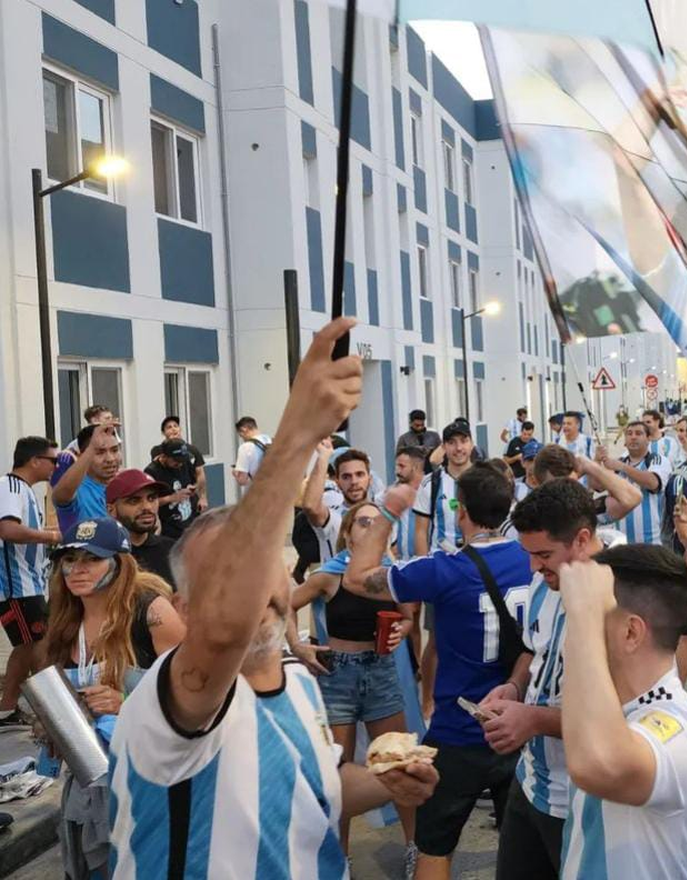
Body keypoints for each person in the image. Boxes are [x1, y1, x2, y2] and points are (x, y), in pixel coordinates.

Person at [108, 318, 438, 877]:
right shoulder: (174, 697)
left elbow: (322, 785)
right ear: (184, 610)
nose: (253, 588)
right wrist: (297, 436)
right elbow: (225, 630)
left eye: (262, 567)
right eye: (226, 579)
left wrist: (386, 782)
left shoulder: (301, 681)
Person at [346, 465, 532, 880]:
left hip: (458, 728)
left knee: (434, 847)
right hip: (520, 726)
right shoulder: (532, 559)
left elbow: (357, 579)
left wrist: (389, 513)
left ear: (461, 511)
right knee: (526, 853)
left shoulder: (444, 568)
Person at [557, 548, 687, 878]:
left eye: (592, 617)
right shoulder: (617, 711)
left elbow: (599, 763)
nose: (571, 631)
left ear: (631, 632)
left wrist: (583, 618)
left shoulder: (682, 728)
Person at [44, 516, 186, 878]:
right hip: (89, 773)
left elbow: (191, 696)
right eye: (69, 559)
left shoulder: (152, 611)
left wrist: (126, 703)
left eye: (92, 558)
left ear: (119, 563)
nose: (77, 569)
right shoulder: (65, 619)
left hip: (149, 772)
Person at [484, 479, 612, 880]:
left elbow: (620, 717)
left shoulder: (622, 597)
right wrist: (514, 687)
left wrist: (534, 720)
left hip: (585, 799)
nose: (533, 567)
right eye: (529, 554)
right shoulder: (544, 581)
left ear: (582, 539)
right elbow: (531, 649)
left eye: (543, 555)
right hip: (530, 782)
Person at [290, 499, 416, 864]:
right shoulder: (332, 572)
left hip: (380, 672)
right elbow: (284, 604)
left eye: (378, 524)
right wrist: (298, 646)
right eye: (363, 522)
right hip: (336, 676)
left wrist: (401, 632)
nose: (370, 529)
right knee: (336, 773)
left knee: (400, 761)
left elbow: (408, 617)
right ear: (346, 532)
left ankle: (413, 848)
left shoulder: (390, 573)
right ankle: (338, 858)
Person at [0, 437, 60, 726]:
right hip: (18, 587)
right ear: (35, 460)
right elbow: (8, 529)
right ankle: (52, 714)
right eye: (53, 460)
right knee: (40, 645)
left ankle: (7, 708)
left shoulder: (24, 491)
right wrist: (51, 536)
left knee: (25, 647)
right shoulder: (10, 486)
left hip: (30, 584)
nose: (56, 467)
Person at [600, 421, 672, 545]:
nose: (633, 437)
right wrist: (597, 460)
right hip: (621, 543)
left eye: (638, 433)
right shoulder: (617, 464)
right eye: (629, 433)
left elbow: (653, 483)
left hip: (651, 543)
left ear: (648, 439)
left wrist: (623, 467)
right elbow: (597, 486)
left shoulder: (658, 460)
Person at [105, 469, 175, 587]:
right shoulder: (101, 555)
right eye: (134, 501)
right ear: (111, 510)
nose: (147, 507)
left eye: (152, 498)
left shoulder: (172, 550)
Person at [303, 443, 372, 562]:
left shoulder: (382, 516)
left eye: (359, 475)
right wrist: (323, 457)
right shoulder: (333, 517)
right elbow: (311, 506)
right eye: (346, 477)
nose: (354, 482)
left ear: (369, 479)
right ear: (338, 482)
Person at [415, 422, 477, 555]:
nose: (458, 448)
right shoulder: (430, 483)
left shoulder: (487, 480)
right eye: (452, 442)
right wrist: (425, 568)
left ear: (471, 444)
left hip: (478, 565)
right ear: (443, 447)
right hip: (442, 565)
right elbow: (420, 531)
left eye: (463, 441)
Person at [52, 424, 122, 534]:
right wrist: (93, 447)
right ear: (83, 455)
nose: (110, 459)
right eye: (99, 452)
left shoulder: (126, 485)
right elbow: (61, 497)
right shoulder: (77, 489)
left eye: (114, 450)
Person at [144, 438, 201, 538]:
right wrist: (171, 498)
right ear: (164, 456)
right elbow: (147, 502)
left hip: (191, 522)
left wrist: (193, 488)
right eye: (175, 460)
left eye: (182, 461)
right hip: (169, 528)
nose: (179, 464)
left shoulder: (184, 464)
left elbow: (196, 480)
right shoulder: (152, 472)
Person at [159, 416, 208, 514]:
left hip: (188, 499)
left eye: (175, 426)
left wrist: (202, 497)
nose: (173, 429)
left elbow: (200, 475)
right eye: (169, 427)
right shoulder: (158, 451)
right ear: (163, 433)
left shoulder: (192, 450)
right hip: (169, 503)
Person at [232, 416, 272, 486]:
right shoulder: (269, 440)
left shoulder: (245, 447)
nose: (243, 439)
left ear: (244, 429)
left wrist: (235, 473)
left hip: (259, 491)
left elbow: (242, 481)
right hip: (276, 488)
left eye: (241, 436)